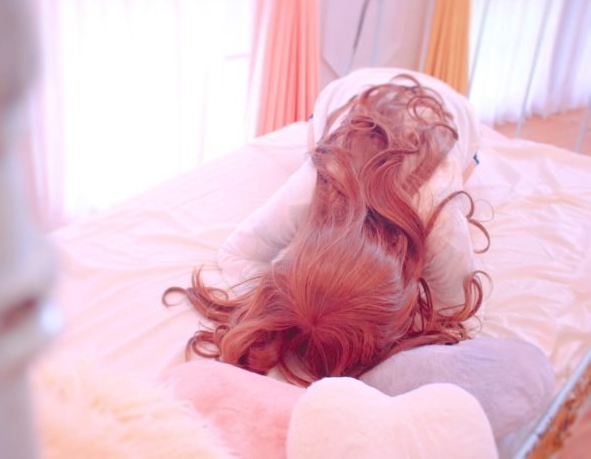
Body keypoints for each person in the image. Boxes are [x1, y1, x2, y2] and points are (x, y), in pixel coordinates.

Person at [164, 68, 490, 386]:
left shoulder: (438, 220)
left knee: (464, 171)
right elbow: (236, 253)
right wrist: (280, 306)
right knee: (317, 140)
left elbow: (462, 313)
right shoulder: (319, 180)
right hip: (353, 91)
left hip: (451, 111)